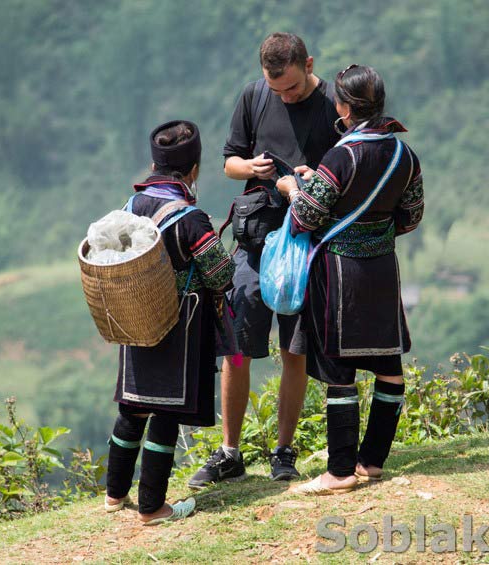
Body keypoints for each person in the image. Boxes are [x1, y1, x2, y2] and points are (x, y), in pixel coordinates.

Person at [189, 32, 341, 488]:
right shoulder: (255, 96)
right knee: (237, 349)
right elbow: (228, 163)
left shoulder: (335, 102)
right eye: (277, 90)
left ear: (308, 63)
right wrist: (252, 169)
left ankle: (283, 452)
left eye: (292, 88)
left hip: (306, 243)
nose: (284, 96)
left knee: (293, 350)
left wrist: (309, 180)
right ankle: (230, 452)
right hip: (255, 243)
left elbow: (345, 169)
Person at [275, 64, 424, 495]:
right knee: (387, 364)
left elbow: (305, 218)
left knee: (338, 371)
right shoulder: (403, 156)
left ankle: (339, 471)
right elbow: (411, 216)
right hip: (382, 268)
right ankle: (372, 462)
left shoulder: (341, 155)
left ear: (343, 106)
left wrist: (292, 189)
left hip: (338, 272)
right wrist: (375, 231)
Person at [104, 120, 235, 523]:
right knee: (164, 413)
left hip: (134, 319)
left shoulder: (130, 208)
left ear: (154, 163)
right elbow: (221, 274)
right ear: (192, 170)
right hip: (178, 327)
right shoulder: (190, 218)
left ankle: (114, 495)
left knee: (132, 407)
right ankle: (152, 507)